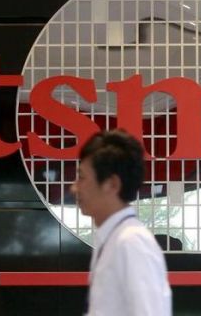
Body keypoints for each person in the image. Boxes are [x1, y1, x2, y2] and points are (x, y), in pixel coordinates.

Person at [71, 129, 172, 316]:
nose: (74, 188)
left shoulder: (131, 243)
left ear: (112, 184)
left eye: (82, 177)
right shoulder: (114, 238)